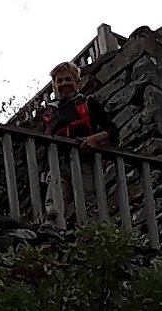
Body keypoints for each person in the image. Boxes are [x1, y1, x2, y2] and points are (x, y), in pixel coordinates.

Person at [42, 60, 119, 224]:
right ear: (54, 86)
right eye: (59, 80)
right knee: (54, 201)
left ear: (77, 81)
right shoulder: (51, 113)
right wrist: (45, 170)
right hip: (58, 163)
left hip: (84, 160)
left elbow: (113, 132)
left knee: (85, 200)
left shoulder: (88, 103)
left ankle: (89, 233)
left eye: (68, 79)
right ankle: (53, 230)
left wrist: (93, 139)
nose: (64, 83)